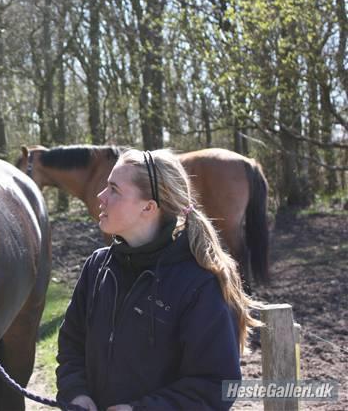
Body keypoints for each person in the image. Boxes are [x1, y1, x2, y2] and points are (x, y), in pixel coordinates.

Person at [56, 149, 260, 411]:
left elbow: (214, 385)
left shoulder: (200, 284)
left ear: (149, 207)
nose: (100, 197)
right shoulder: (97, 266)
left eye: (114, 189)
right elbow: (71, 344)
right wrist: (76, 393)